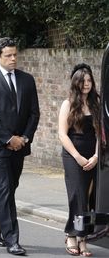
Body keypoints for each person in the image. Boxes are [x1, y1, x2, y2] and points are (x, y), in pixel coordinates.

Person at [0, 37, 40, 255]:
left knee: (9, 189)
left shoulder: (27, 80)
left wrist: (24, 138)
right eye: (8, 55)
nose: (13, 58)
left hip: (20, 146)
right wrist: (8, 139)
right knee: (4, 189)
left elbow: (34, 113)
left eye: (15, 54)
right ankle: (11, 239)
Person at [58, 63, 99, 257]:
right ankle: (75, 236)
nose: (86, 84)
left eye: (89, 81)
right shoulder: (68, 104)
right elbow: (62, 134)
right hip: (73, 155)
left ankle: (80, 236)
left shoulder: (95, 103)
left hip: (93, 155)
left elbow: (101, 134)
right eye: (83, 81)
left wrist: (96, 156)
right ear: (76, 83)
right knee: (77, 198)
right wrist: (78, 157)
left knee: (88, 199)